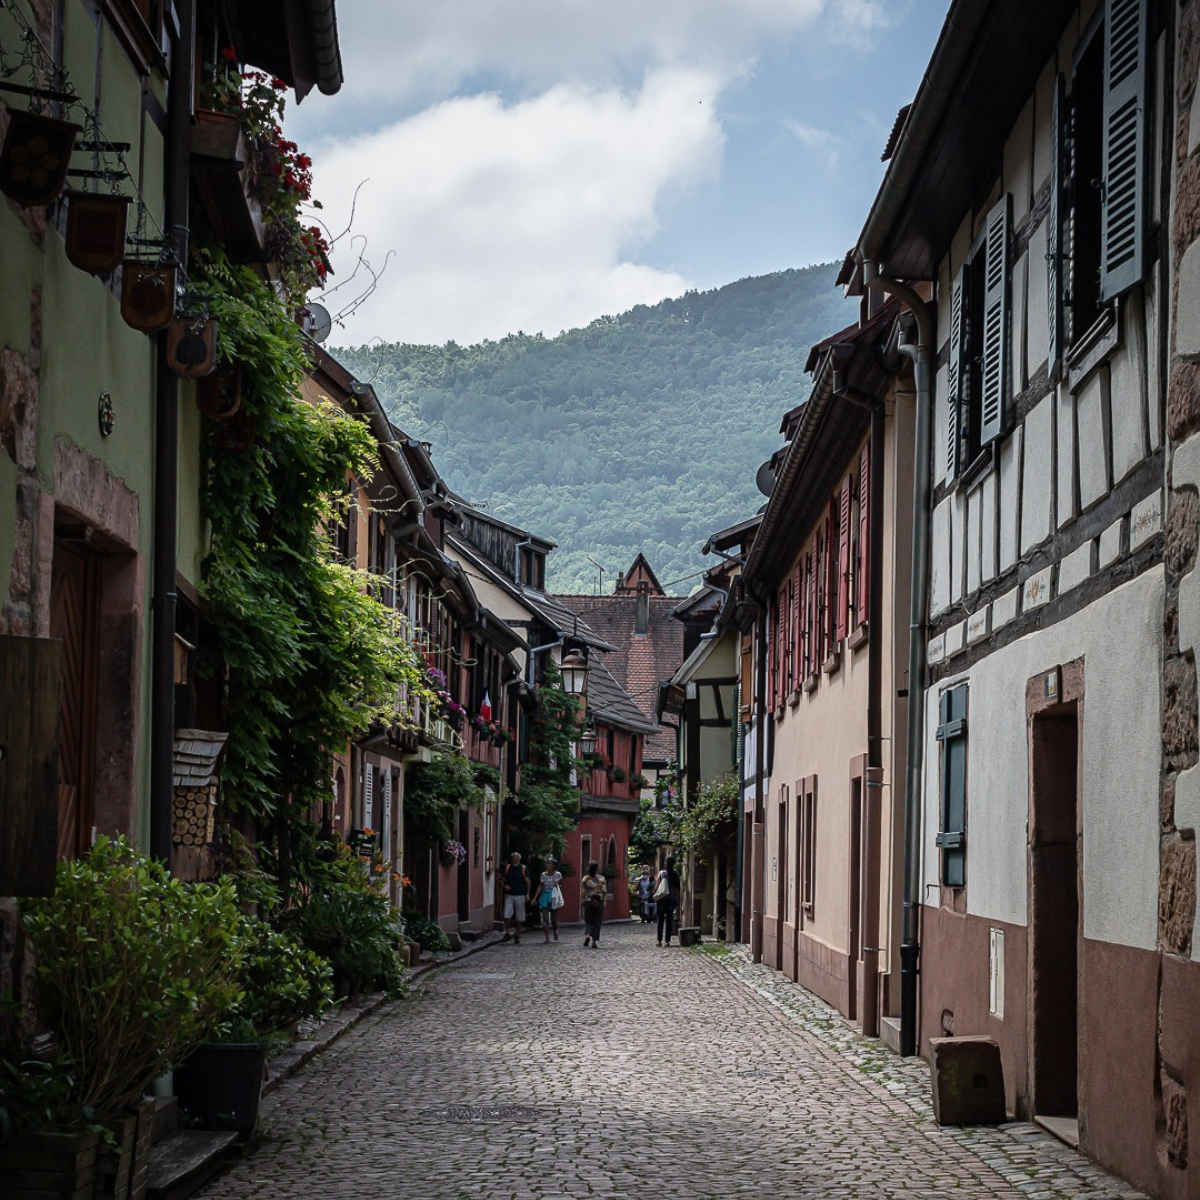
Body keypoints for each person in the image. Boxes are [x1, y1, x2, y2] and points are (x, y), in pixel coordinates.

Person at [499, 851, 531, 944]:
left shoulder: (523, 868)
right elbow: (502, 879)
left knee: (519, 916)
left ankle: (517, 934)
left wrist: (528, 894)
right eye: (513, 858)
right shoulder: (508, 867)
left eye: (516, 858)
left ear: (519, 859)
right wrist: (504, 886)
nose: (514, 860)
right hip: (509, 895)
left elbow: (528, 882)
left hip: (520, 894)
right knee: (506, 914)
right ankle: (507, 933)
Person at [532, 856, 564, 943]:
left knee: (554, 918)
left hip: (553, 897)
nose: (547, 864)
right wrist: (534, 898)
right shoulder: (543, 875)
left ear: (553, 865)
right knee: (545, 919)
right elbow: (540, 886)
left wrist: (557, 886)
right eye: (547, 863)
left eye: (549, 863)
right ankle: (547, 937)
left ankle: (555, 931)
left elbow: (561, 884)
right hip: (545, 896)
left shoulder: (558, 875)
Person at [655, 855, 681, 947]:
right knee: (669, 920)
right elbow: (678, 890)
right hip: (671, 900)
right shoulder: (675, 875)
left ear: (666, 863)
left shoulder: (662, 873)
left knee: (660, 920)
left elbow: (657, 887)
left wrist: (655, 893)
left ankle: (659, 941)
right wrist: (677, 901)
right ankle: (667, 941)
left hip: (662, 899)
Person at [580, 860, 606, 948]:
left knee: (588, 920)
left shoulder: (585, 878)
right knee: (597, 921)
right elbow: (604, 891)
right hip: (598, 901)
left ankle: (587, 936)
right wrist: (604, 902)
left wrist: (582, 901)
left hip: (588, 901)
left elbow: (582, 891)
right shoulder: (601, 878)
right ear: (597, 869)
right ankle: (594, 941)